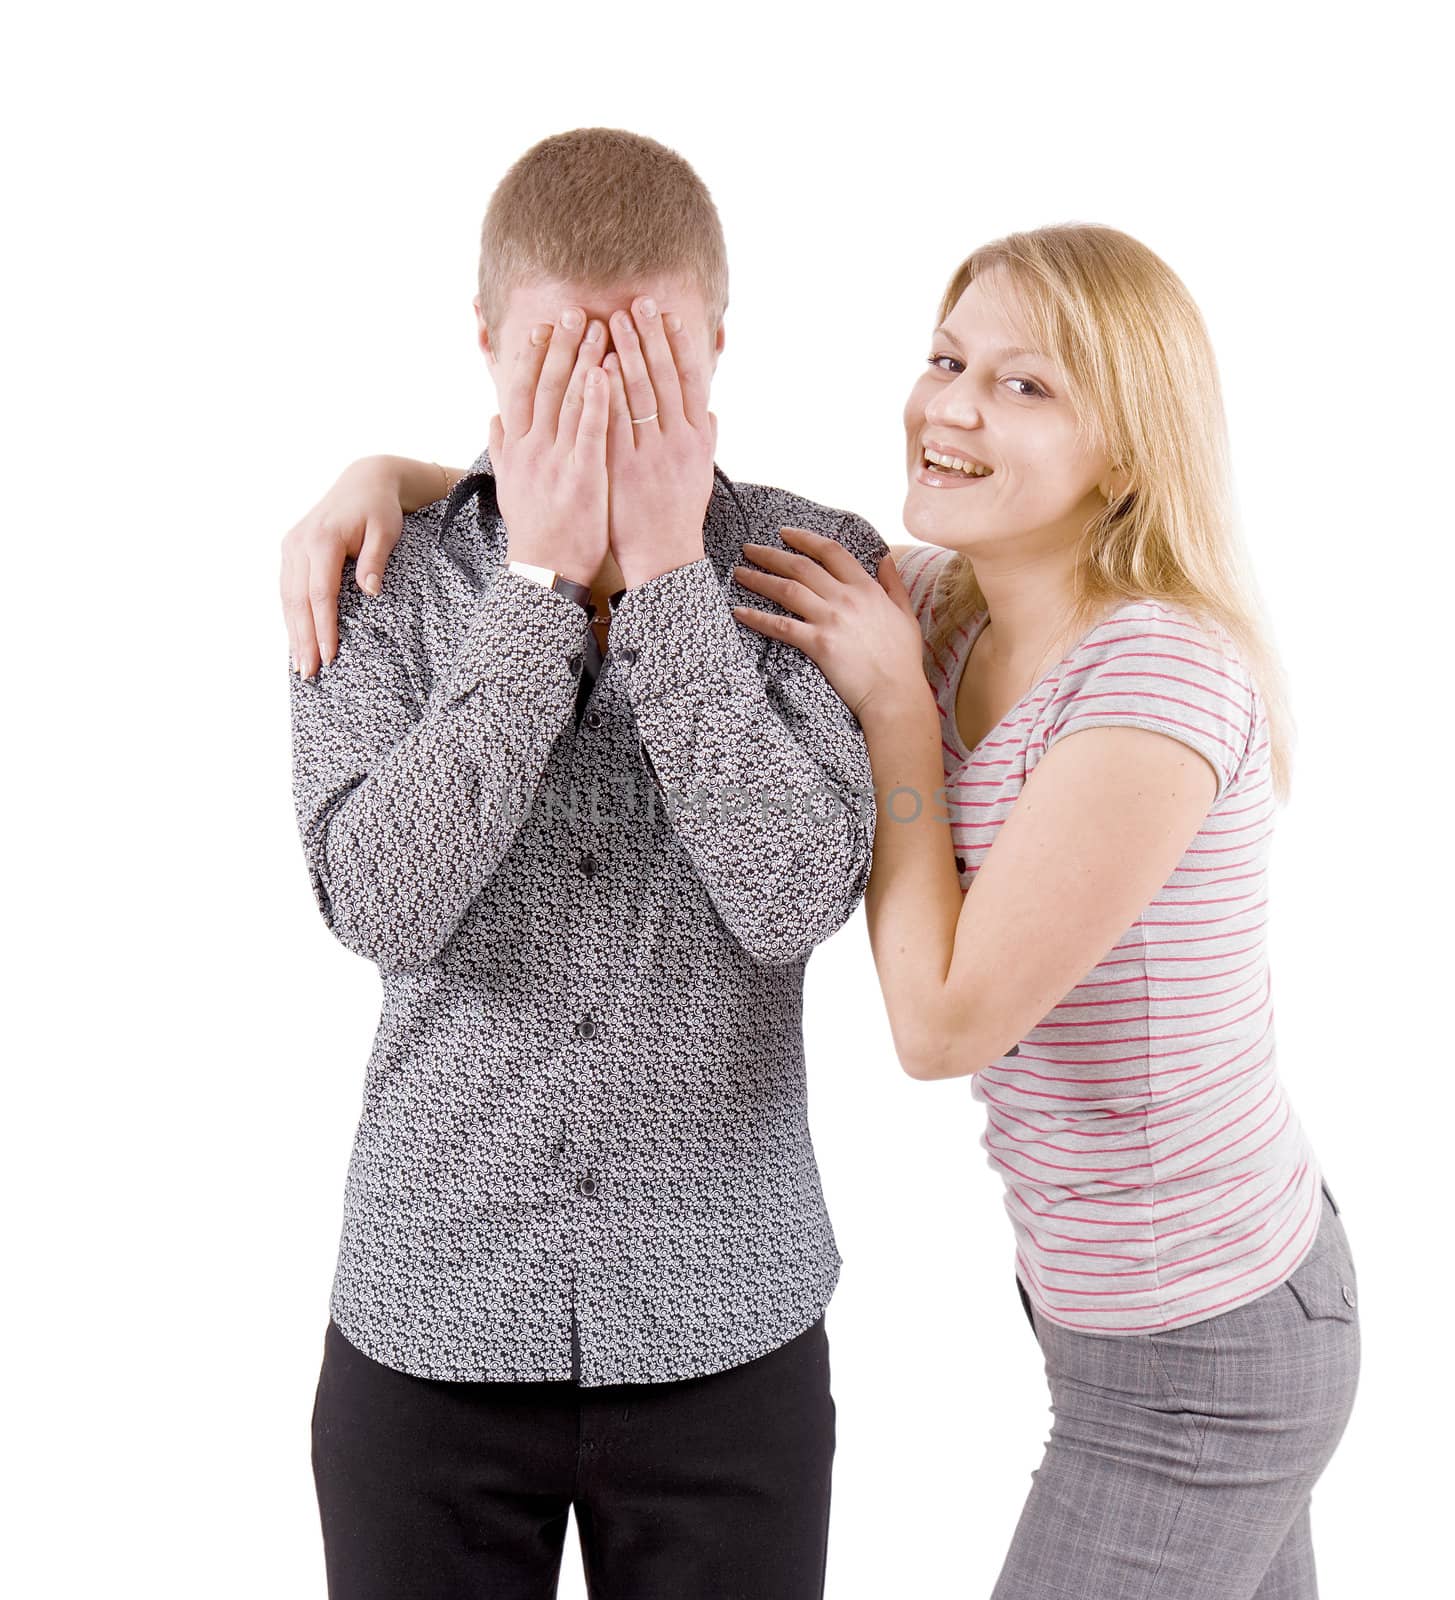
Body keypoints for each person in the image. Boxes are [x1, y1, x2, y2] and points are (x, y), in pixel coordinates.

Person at [299, 222, 1360, 1599]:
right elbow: (639, 521)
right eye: (947, 357)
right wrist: (403, 479)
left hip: (1208, 1343)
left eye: (1027, 385)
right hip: (1106, 1311)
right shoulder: (938, 600)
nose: (955, 405)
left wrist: (896, 716)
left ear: (1133, 446)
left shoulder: (1150, 684)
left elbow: (940, 1022)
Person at [284, 127, 889, 1600]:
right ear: (487, 347)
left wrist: (674, 584)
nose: (605, 401)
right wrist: (537, 586)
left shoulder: (816, 569)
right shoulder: (379, 570)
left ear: (722, 347)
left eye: (649, 360)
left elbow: (793, 897)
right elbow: (379, 902)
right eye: (560, 362)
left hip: (726, 1330)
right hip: (430, 1320)